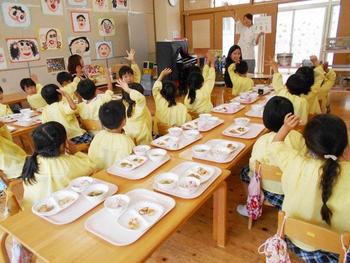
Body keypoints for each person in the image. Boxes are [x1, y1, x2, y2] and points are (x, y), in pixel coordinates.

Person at [269, 113, 350, 262]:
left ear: (307, 145)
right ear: (345, 146)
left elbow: (275, 144)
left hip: (294, 240)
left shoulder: (295, 162)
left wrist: (286, 127)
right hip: (336, 249)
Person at [236, 96, 307, 216]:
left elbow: (253, 168)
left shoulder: (261, 140)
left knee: (244, 171)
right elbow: (304, 159)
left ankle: (252, 207)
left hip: (266, 188)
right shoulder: (298, 137)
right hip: (290, 188)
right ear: (290, 117)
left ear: (266, 118)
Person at [21, 121, 96, 207]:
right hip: (56, 209)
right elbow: (92, 166)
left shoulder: (31, 161)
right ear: (62, 145)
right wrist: (76, 152)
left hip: (32, 210)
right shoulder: (66, 164)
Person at [88, 100, 135, 170]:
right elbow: (131, 165)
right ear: (124, 121)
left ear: (101, 122)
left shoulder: (98, 136)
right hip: (118, 178)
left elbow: (91, 159)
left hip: (98, 176)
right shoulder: (126, 141)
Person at [269, 59, 310, 125]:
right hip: (295, 130)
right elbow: (303, 121)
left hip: (279, 127)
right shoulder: (303, 102)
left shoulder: (283, 93)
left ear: (287, 86)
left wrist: (275, 69)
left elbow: (277, 83)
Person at [116, 79, 152, 145]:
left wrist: (126, 90)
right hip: (142, 137)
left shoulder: (126, 105)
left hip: (129, 135)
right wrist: (128, 89)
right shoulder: (140, 107)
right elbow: (140, 98)